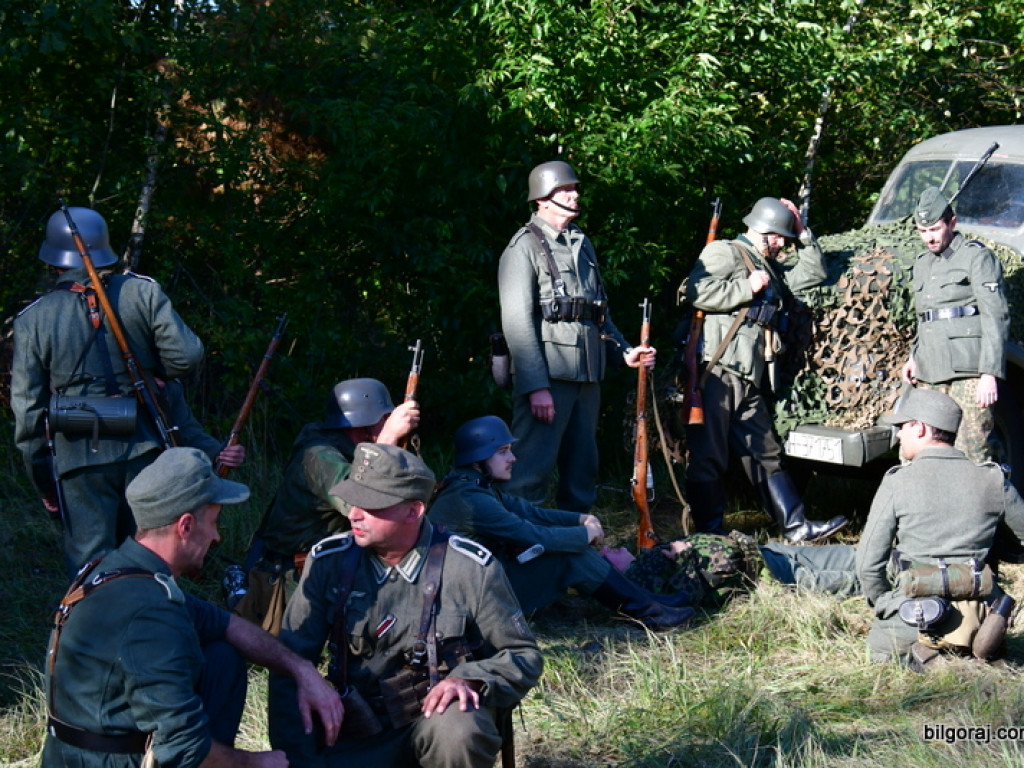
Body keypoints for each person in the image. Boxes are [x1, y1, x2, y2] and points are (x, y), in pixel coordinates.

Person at [41, 447, 343, 767]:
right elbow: (182, 747)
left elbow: (224, 623)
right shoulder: (150, 613)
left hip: (76, 753)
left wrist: (301, 669)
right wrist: (254, 763)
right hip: (103, 761)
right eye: (213, 522)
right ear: (185, 526)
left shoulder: (115, 569)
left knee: (223, 656)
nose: (215, 536)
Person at [269, 442, 543, 767]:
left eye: (371, 505)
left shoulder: (469, 567)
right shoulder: (328, 563)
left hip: (437, 722)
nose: (354, 514)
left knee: (459, 726)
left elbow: (522, 655)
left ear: (413, 511)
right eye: (353, 500)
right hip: (357, 729)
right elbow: (289, 664)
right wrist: (295, 758)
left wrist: (470, 678)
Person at [11, 206, 209, 578]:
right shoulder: (141, 292)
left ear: (54, 259)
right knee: (149, 555)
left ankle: (94, 631)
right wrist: (155, 376)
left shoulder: (33, 319)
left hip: (78, 450)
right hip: (144, 444)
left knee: (92, 567)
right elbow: (188, 355)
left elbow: (28, 416)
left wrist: (44, 478)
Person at [428, 416, 696, 629]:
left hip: (479, 588)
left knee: (571, 550)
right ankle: (649, 612)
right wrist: (584, 535)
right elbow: (533, 534)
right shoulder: (471, 500)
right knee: (571, 556)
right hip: (473, 604)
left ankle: (648, 603)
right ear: (479, 459)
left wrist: (580, 519)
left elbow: (531, 513)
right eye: (502, 452)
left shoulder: (473, 486)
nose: (513, 458)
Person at [682, 196, 847, 542]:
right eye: (782, 237)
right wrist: (747, 287)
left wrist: (803, 232)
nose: (784, 244)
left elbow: (814, 273)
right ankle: (710, 534)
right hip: (717, 371)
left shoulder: (768, 264)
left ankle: (796, 527)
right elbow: (694, 292)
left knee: (765, 452)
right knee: (709, 456)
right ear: (766, 231)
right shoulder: (725, 252)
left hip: (749, 376)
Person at [497, 160, 655, 513]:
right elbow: (517, 323)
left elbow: (598, 314)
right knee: (528, 473)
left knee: (582, 472)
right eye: (565, 189)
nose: (575, 194)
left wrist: (625, 351)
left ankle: (576, 547)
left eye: (574, 188)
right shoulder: (522, 247)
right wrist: (535, 385)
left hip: (587, 378)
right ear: (542, 198)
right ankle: (518, 550)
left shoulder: (581, 243)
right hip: (549, 379)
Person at [855, 388, 1024, 667]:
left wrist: (887, 604)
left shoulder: (898, 482)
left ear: (920, 429)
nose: (898, 434)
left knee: (888, 653)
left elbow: (867, 565)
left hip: (909, 625)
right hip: (980, 628)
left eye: (902, 426)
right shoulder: (993, 479)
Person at [243, 378, 419, 590]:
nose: (389, 421)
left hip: (329, 569)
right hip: (293, 580)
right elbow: (359, 501)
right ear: (364, 424)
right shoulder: (318, 457)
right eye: (385, 418)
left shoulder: (352, 452)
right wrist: (387, 438)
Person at [901, 186, 1010, 464]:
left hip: (968, 372)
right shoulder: (922, 264)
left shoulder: (977, 258)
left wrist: (989, 373)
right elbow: (924, 316)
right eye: (923, 231)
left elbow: (995, 315)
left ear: (952, 222)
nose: (929, 238)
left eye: (935, 229)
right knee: (923, 451)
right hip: (929, 370)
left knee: (971, 450)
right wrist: (914, 356)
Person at [601, 532, 861, 610]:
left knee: (847, 555)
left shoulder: (642, 567)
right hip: (759, 576)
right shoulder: (641, 582)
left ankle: (893, 557)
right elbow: (683, 599)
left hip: (759, 552)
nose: (612, 548)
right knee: (850, 580)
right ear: (612, 569)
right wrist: (686, 554)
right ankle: (895, 577)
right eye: (606, 554)